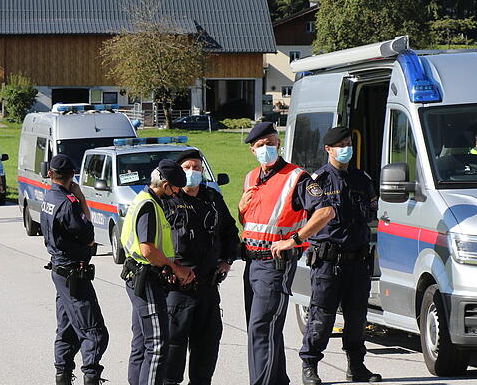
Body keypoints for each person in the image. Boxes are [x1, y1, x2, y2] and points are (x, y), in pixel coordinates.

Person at [286, 126, 381, 385]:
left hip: (358, 261)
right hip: (329, 262)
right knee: (322, 317)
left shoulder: (362, 179)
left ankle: (356, 366)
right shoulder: (317, 181)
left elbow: (372, 212)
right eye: (340, 144)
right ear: (328, 149)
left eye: (348, 143)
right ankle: (310, 365)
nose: (346, 148)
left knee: (357, 317)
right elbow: (314, 215)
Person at [238, 122, 327, 385]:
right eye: (260, 145)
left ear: (279, 144)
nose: (266, 148)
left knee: (261, 328)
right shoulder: (251, 177)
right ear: (253, 150)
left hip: (275, 264)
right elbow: (250, 221)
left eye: (271, 142)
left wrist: (296, 239)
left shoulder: (297, 178)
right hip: (252, 262)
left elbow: (325, 211)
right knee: (263, 329)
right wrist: (240, 208)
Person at [159, 149, 239, 385]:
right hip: (176, 290)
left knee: (207, 349)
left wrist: (227, 260)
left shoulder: (212, 199)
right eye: (187, 168)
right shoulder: (167, 200)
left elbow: (230, 231)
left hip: (207, 288)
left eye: (197, 168)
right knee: (172, 351)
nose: (193, 172)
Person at [120, 159, 195, 385]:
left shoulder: (143, 199)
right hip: (147, 278)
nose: (176, 194)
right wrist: (176, 268)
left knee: (142, 343)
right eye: (175, 189)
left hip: (139, 277)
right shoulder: (149, 206)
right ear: (165, 185)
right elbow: (147, 249)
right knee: (157, 344)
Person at [40, 153, 109, 385]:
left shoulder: (49, 197)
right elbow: (89, 234)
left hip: (60, 271)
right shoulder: (69, 203)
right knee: (95, 333)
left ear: (50, 174)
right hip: (73, 274)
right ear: (73, 176)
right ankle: (90, 376)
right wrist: (81, 198)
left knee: (68, 329)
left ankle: (63, 375)